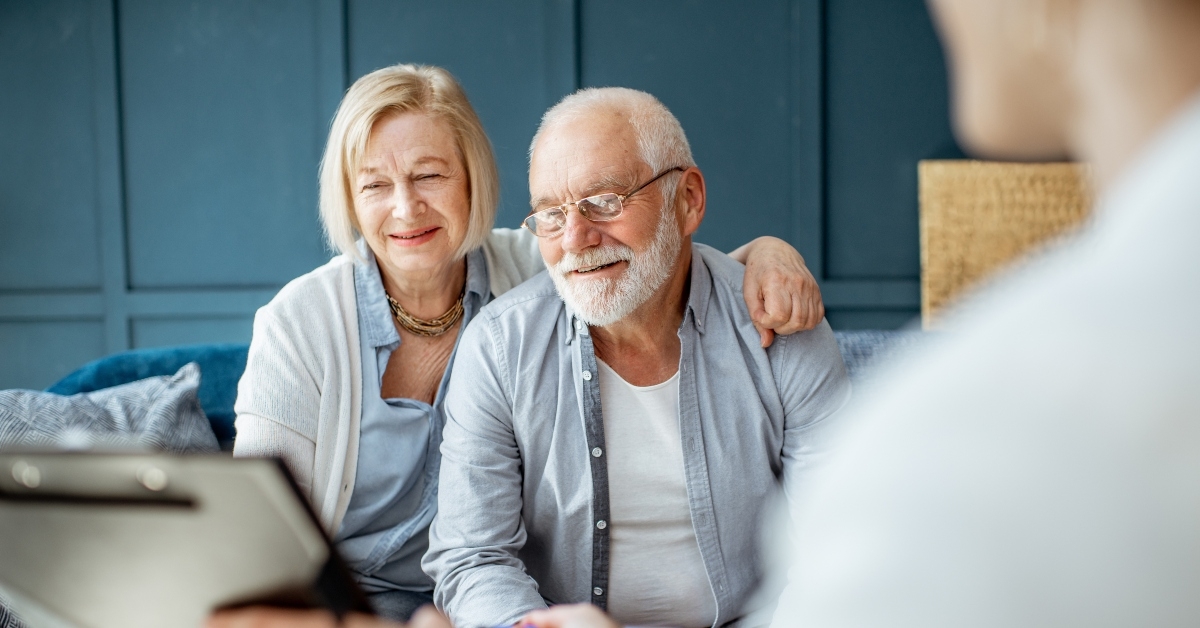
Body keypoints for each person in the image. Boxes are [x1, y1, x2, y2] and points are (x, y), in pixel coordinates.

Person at [231, 63, 829, 622]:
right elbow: (257, 537)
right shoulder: (308, 323)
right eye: (374, 185)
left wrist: (769, 256)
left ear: (473, 181)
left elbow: (655, 259)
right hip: (351, 602)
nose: (405, 206)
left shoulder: (541, 266)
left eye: (429, 175)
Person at [420, 87, 851, 628]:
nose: (576, 238)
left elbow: (841, 541)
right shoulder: (499, 348)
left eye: (604, 201)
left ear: (688, 199)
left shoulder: (782, 327)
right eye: (551, 215)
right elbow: (473, 555)